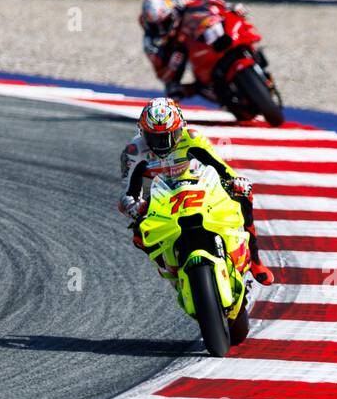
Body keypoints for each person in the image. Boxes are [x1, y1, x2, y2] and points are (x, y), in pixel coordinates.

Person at [117, 97, 274, 286]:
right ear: (142, 132)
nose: (161, 143)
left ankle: (255, 259)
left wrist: (236, 182)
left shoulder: (192, 138)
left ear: (180, 128)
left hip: (196, 187)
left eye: (169, 135)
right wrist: (134, 207)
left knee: (243, 194)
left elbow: (222, 169)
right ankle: (170, 270)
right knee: (138, 234)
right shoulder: (134, 151)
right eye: (153, 136)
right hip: (160, 199)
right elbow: (128, 193)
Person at [138, 0, 249, 98]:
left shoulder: (178, 4)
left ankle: (241, 43)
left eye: (165, 22)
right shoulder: (150, 42)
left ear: (171, 13)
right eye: (155, 26)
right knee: (173, 90)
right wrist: (172, 66)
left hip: (201, 37)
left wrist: (231, 6)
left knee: (218, 18)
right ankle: (207, 89)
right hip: (188, 58)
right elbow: (162, 75)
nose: (161, 29)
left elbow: (207, 1)